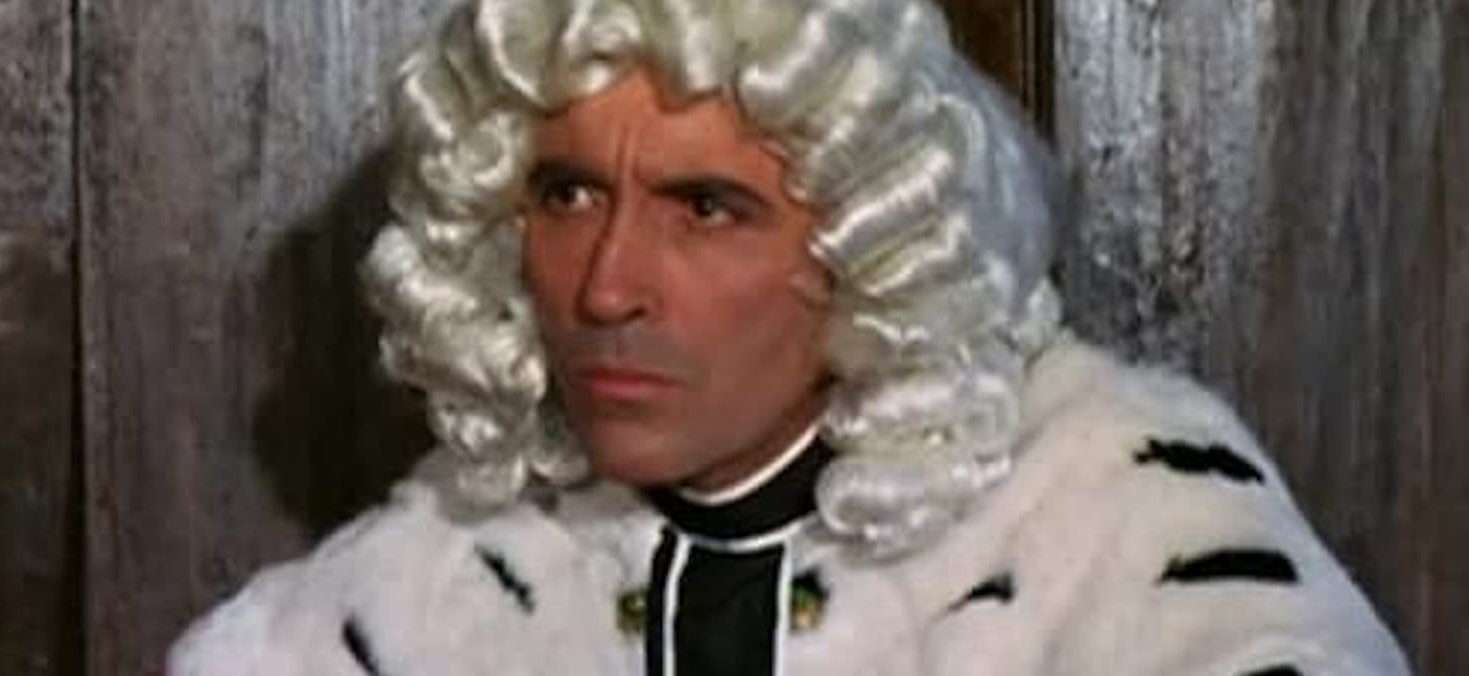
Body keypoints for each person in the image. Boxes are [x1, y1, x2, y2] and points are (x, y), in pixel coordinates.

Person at [168, 0, 1409, 673]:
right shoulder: (435, 580)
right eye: (567, 194)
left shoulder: (1114, 511)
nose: (606, 289)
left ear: (873, 247)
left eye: (706, 209)